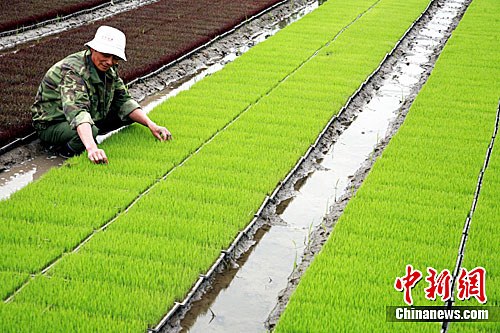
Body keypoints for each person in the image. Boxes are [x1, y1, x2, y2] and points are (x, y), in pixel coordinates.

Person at [31, 25, 172, 164]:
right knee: (91, 131)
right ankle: (66, 151)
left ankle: (88, 135)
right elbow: (77, 112)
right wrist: (92, 148)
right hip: (53, 123)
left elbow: (123, 99)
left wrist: (151, 124)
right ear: (93, 49)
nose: (109, 62)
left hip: (87, 113)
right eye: (105, 55)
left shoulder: (109, 68)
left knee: (128, 116)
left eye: (115, 57)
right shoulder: (72, 71)